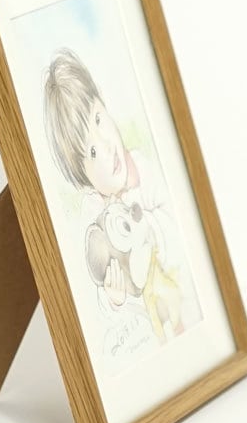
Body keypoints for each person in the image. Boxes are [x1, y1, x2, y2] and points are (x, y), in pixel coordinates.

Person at [42, 48, 200, 332]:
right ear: (82, 176)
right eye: (91, 152)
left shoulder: (143, 169)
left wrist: (147, 229)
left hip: (179, 298)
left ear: (103, 102)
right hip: (149, 325)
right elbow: (95, 290)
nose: (105, 146)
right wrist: (113, 300)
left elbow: (180, 226)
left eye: (98, 120)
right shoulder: (94, 218)